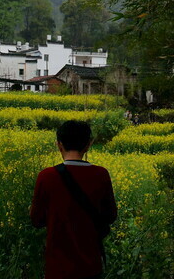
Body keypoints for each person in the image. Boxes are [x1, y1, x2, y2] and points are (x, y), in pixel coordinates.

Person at [30, 120, 117, 279]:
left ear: (59, 144)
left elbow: (36, 220)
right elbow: (111, 216)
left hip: (57, 268)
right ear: (88, 145)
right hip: (90, 267)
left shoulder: (46, 176)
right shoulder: (101, 175)